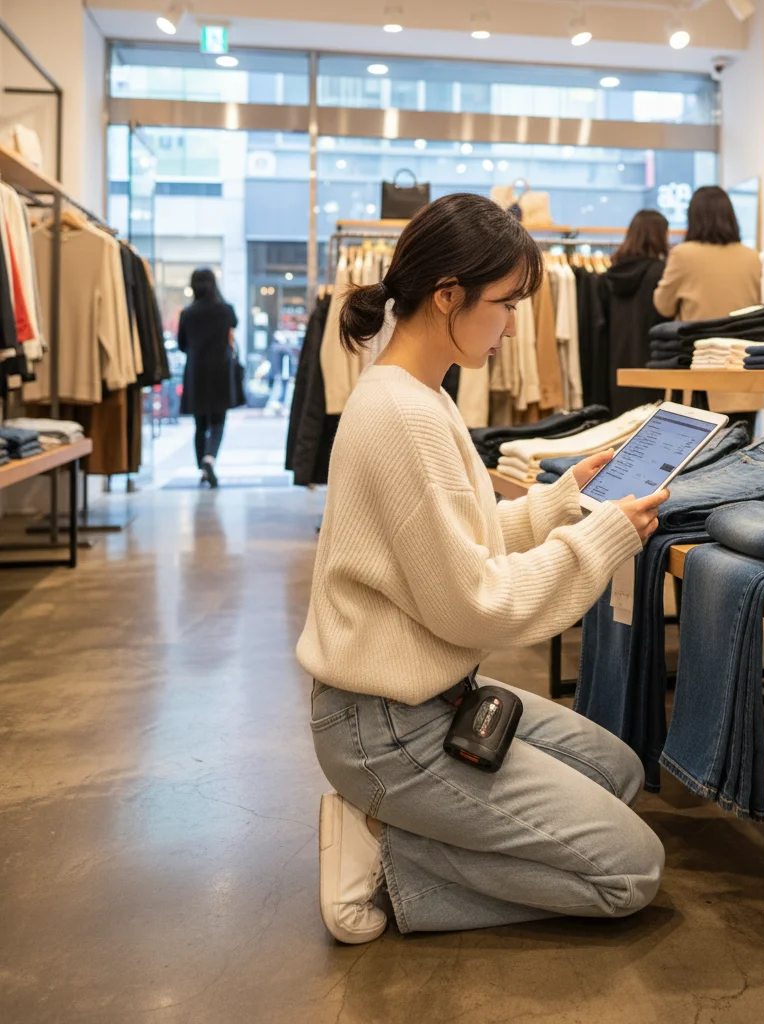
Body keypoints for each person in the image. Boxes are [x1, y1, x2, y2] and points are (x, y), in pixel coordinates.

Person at [297, 193, 667, 945]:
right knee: (630, 872)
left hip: (430, 698)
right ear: (447, 297)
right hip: (387, 726)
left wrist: (566, 499)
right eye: (505, 304)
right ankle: (388, 854)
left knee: (617, 774)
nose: (512, 326)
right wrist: (601, 541)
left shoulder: (419, 396)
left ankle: (411, 828)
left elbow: (456, 543)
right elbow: (475, 605)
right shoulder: (402, 414)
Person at [653, 186, 764, 427]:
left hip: (699, 377)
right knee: (744, 455)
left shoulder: (683, 254)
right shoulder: (751, 256)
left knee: (695, 458)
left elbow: (663, 305)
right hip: (743, 374)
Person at [602, 209, 670, 417]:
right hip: (652, 368)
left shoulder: (611, 275)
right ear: (658, 236)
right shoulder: (660, 273)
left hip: (617, 369)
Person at [177, 268, 240, 487]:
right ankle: (210, 458)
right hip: (221, 371)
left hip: (196, 372)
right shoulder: (226, 310)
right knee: (218, 420)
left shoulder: (188, 313)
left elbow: (182, 345)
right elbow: (232, 334)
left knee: (200, 423)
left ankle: (202, 467)